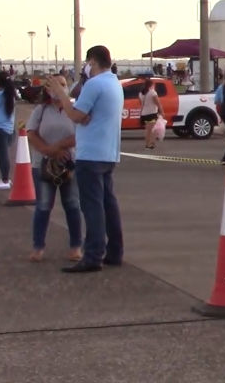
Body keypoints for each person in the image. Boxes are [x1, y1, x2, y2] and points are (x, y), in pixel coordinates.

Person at [43, 45, 125, 274]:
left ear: (93, 61)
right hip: (108, 152)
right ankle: (115, 252)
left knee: (92, 206)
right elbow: (86, 112)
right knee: (108, 204)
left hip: (91, 154)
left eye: (87, 63)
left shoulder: (94, 84)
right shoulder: (114, 83)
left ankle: (93, 255)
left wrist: (59, 92)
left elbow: (76, 115)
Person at [26, 73, 82, 263]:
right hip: (42, 164)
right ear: (48, 89)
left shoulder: (74, 109)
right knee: (43, 206)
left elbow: (80, 135)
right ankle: (38, 246)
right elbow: (31, 133)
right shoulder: (41, 110)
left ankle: (76, 246)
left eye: (64, 84)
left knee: (73, 205)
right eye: (57, 85)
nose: (61, 88)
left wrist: (58, 148)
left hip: (70, 163)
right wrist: (47, 151)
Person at [138, 77, 163, 150]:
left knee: (147, 129)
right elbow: (158, 103)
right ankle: (151, 144)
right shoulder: (153, 93)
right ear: (151, 85)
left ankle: (148, 144)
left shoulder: (141, 93)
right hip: (152, 113)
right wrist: (162, 112)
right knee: (152, 130)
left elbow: (140, 103)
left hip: (144, 114)